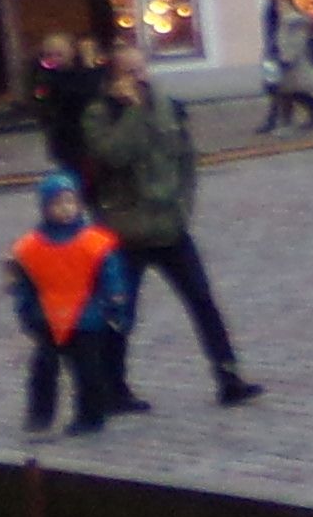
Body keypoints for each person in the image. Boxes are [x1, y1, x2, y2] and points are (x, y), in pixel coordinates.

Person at [79, 43, 263, 402]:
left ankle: (228, 377)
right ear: (113, 78)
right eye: (129, 72)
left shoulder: (167, 107)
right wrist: (131, 113)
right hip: (125, 231)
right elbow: (114, 155)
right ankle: (114, 389)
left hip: (170, 226)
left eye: (142, 69)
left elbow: (185, 161)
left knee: (203, 301)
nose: (139, 78)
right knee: (121, 309)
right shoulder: (99, 115)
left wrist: (183, 206)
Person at [5, 175, 134, 437]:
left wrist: (114, 306)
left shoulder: (95, 242)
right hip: (47, 318)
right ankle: (40, 417)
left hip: (88, 318)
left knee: (88, 371)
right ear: (45, 208)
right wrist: (26, 312)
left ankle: (90, 415)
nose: (65, 208)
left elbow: (111, 278)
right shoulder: (30, 247)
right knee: (43, 370)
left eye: (70, 202)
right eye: (57, 203)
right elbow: (25, 284)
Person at [257, 0, 313, 134]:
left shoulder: (293, 20)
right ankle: (279, 122)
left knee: (289, 92)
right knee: (281, 91)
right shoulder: (276, 14)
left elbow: (295, 42)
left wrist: (286, 59)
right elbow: (273, 36)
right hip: (278, 58)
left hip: (289, 62)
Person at [27, 36, 102, 175]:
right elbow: (75, 94)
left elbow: (94, 92)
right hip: (67, 140)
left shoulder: (81, 73)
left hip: (88, 139)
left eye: (59, 54)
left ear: (72, 54)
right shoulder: (46, 76)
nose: (54, 59)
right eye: (49, 55)